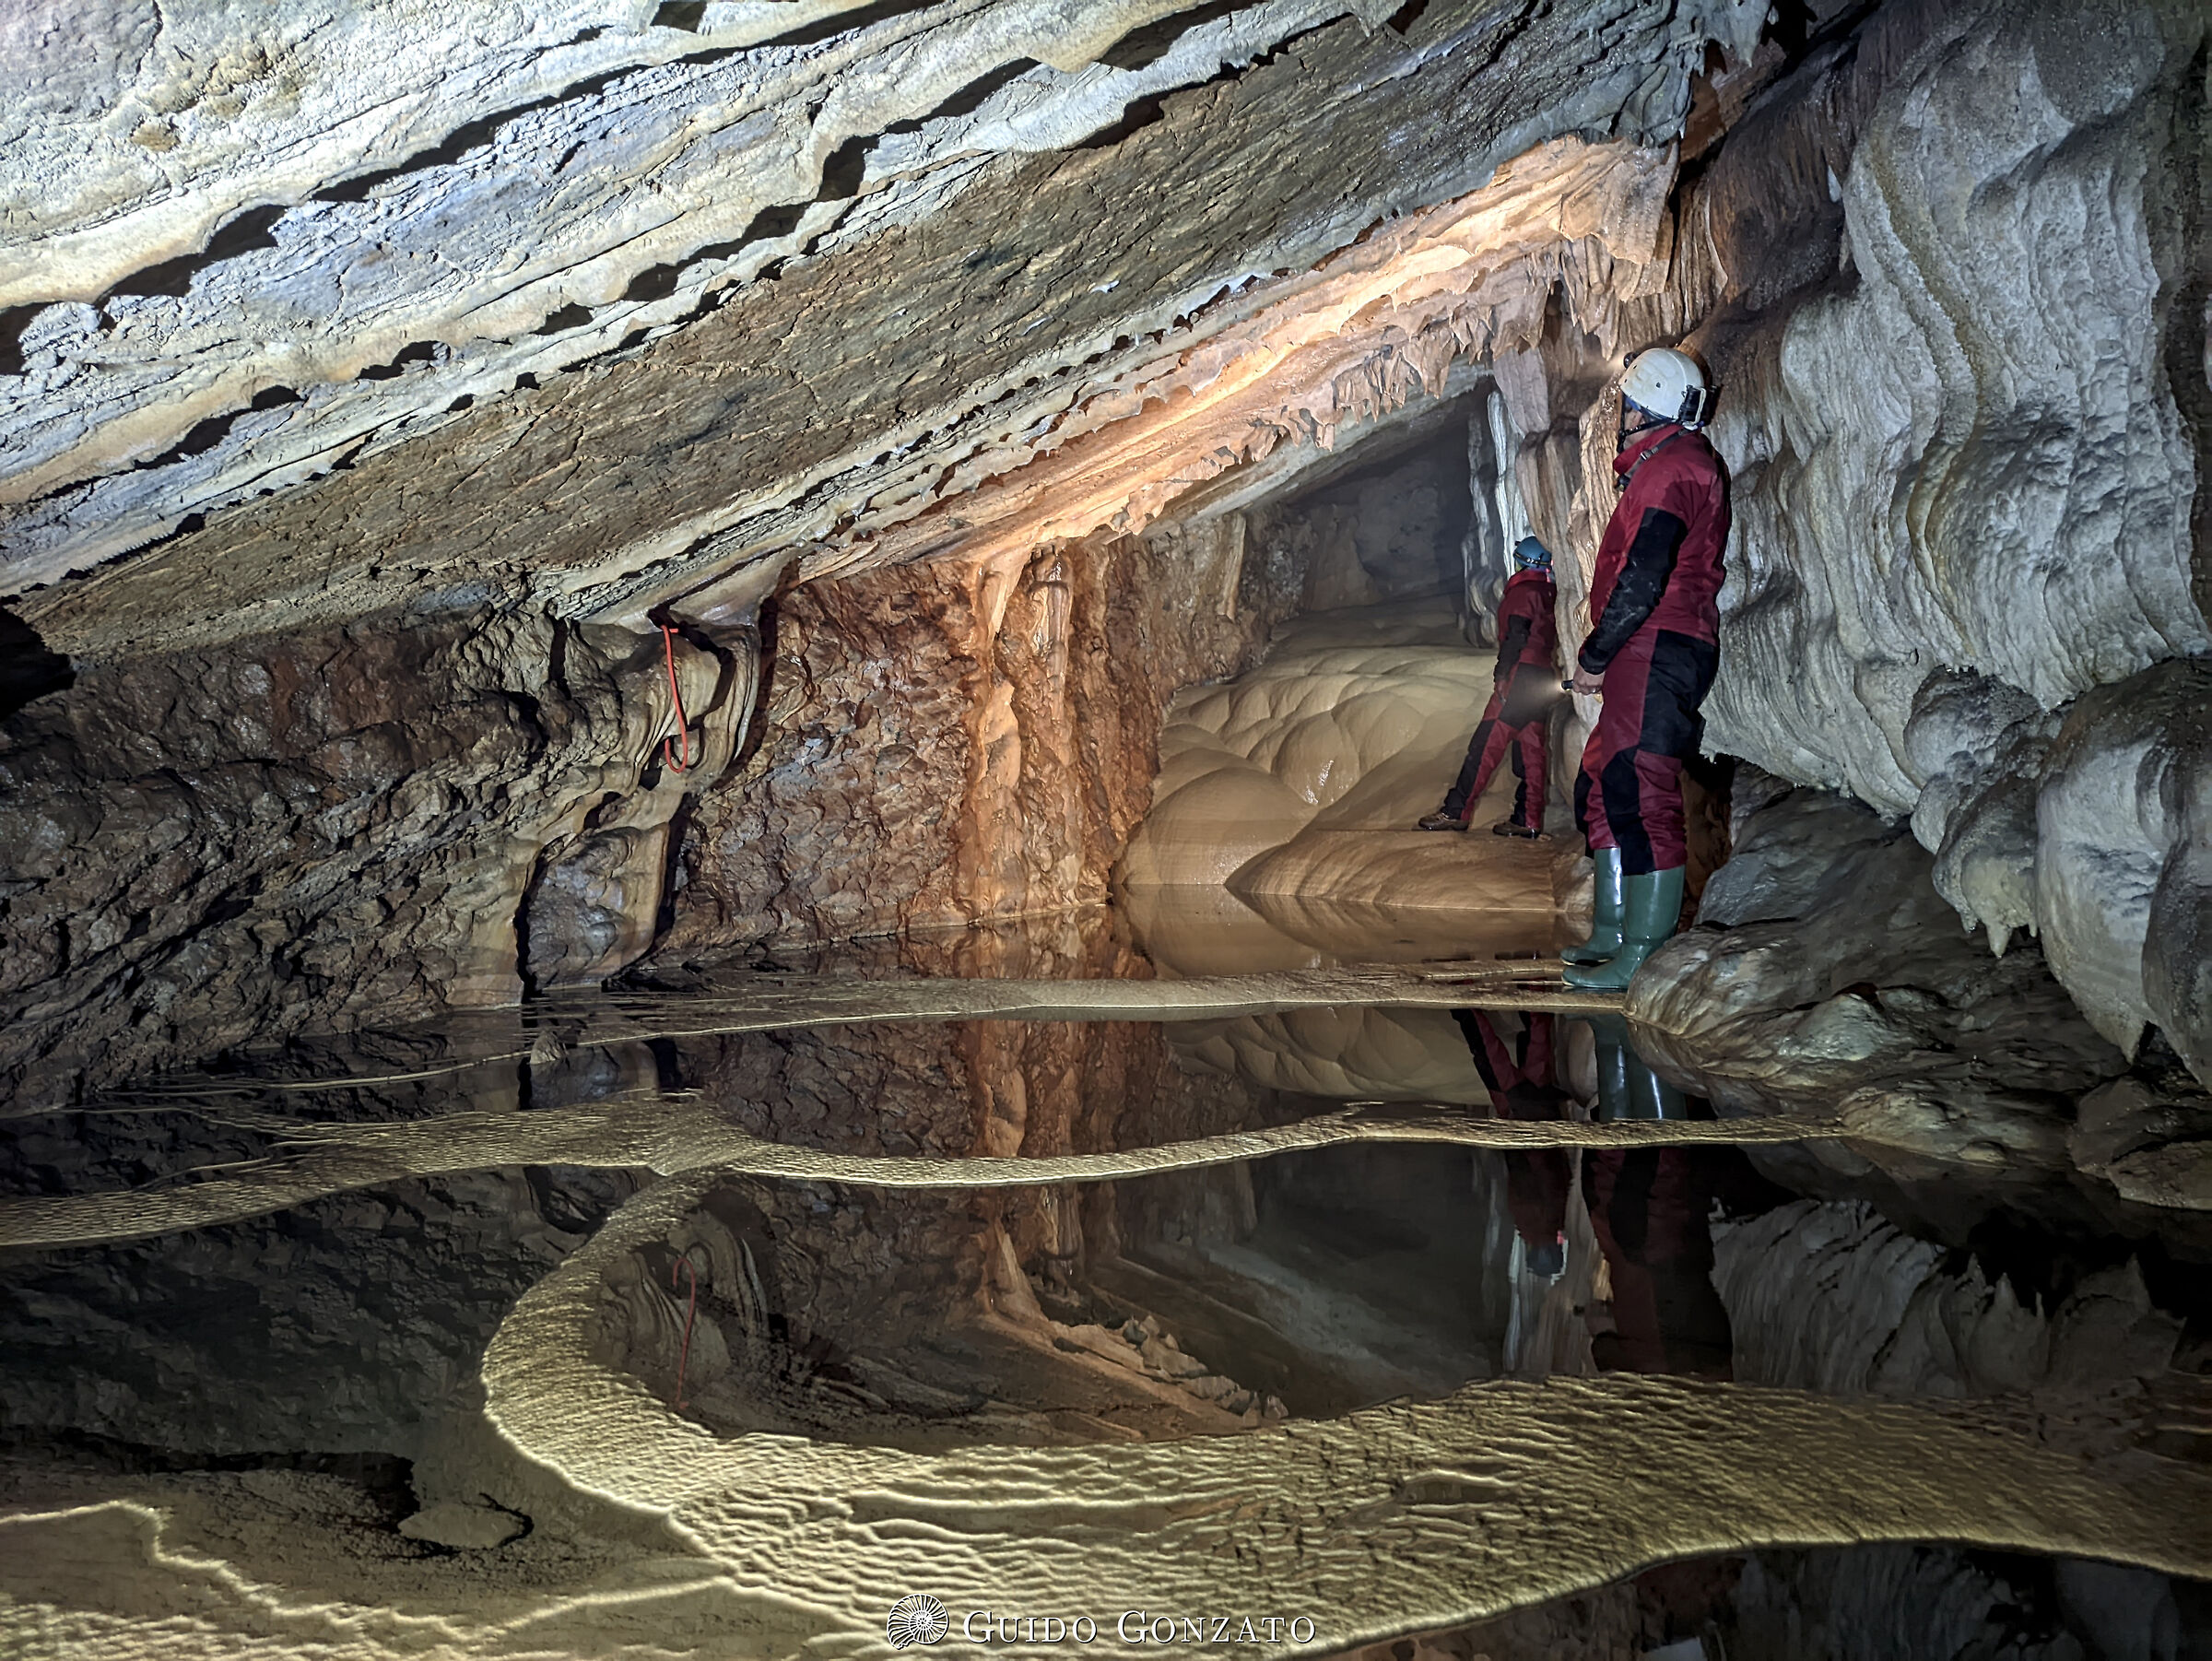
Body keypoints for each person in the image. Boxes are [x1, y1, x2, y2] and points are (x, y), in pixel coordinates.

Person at [1561, 347, 1728, 991]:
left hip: (1660, 643)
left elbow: (1645, 575)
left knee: (1643, 784)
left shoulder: (1673, 472)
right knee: (1610, 782)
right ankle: (1614, 928)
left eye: (1626, 405)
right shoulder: (1663, 467)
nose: (1621, 416)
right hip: (1643, 647)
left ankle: (1644, 952)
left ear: (1642, 407)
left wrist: (1597, 652)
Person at [1417, 535, 1561, 837]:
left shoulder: (1523, 593)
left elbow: (1517, 636)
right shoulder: (1550, 592)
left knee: (1485, 746)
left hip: (1520, 676)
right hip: (1543, 677)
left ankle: (1455, 811)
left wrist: (1502, 675)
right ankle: (1528, 819)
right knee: (1532, 751)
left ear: (1522, 562)